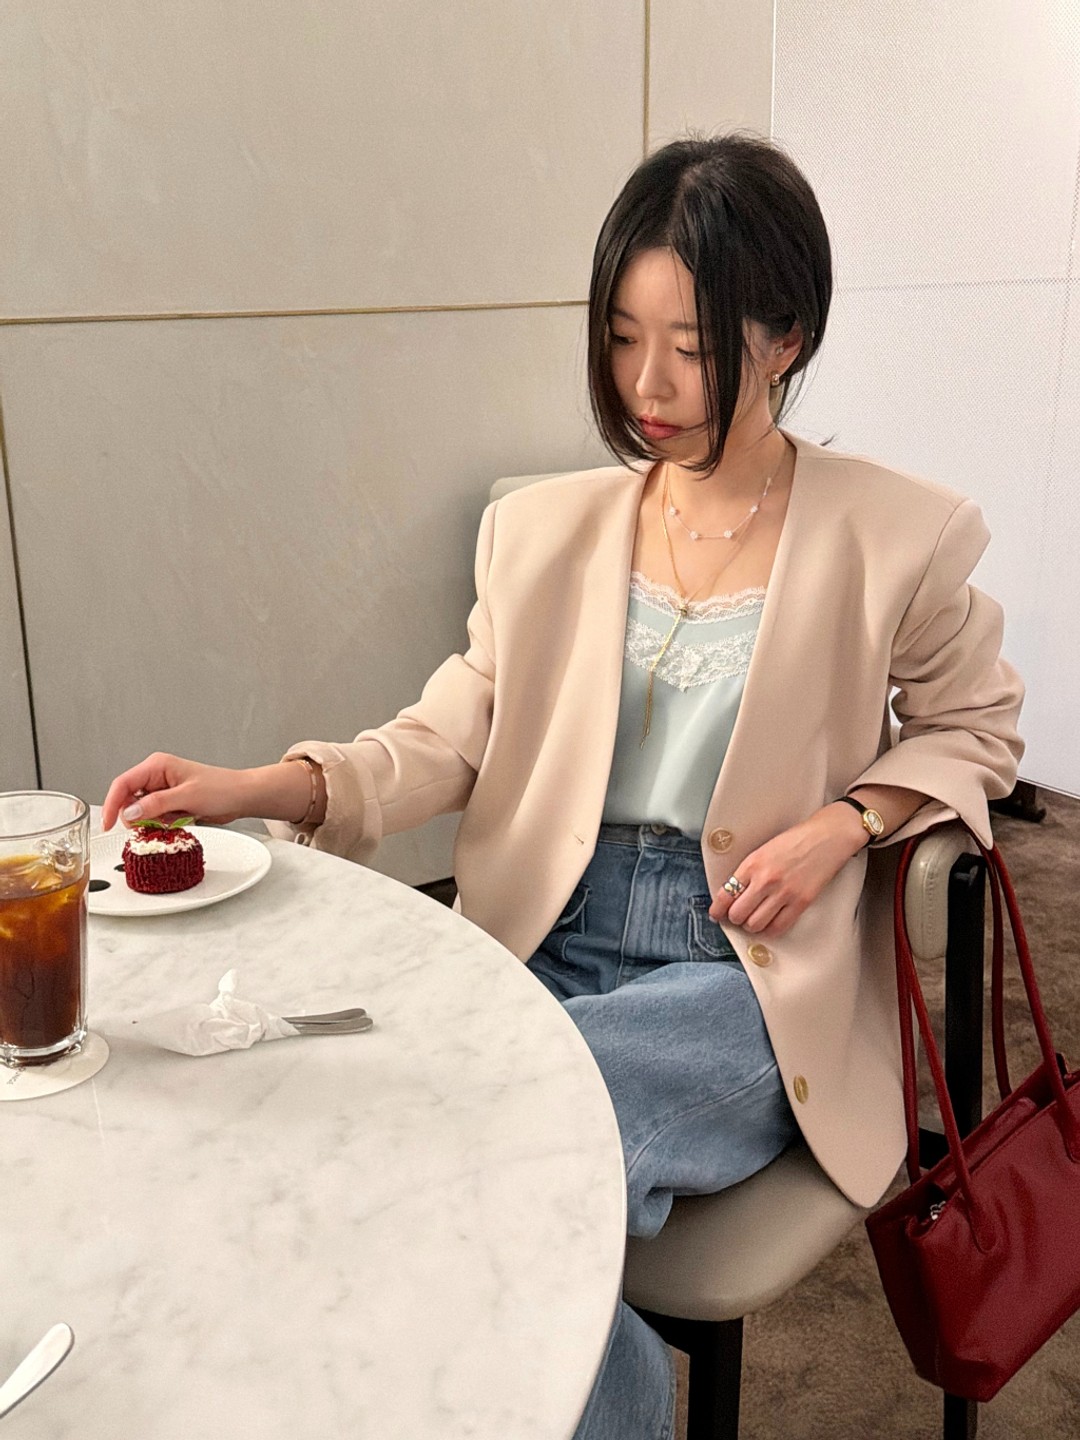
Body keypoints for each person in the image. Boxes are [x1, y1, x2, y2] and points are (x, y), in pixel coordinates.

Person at [102, 132, 1024, 1438]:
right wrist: (270, 784)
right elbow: (449, 736)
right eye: (622, 337)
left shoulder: (900, 534)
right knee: (423, 1146)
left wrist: (846, 821)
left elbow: (976, 727)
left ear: (787, 338)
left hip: (751, 972)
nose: (648, 384)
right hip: (547, 937)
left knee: (501, 1134)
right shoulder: (543, 532)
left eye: (691, 346)